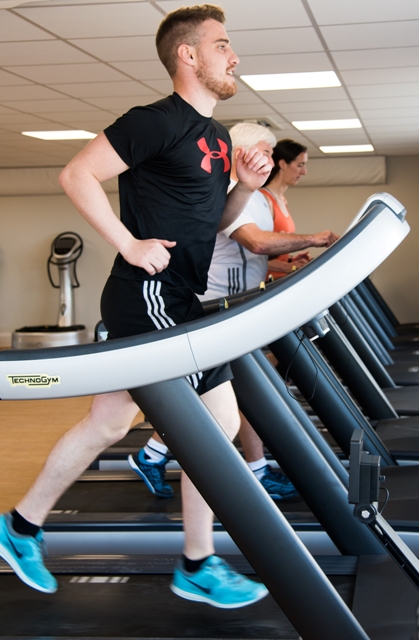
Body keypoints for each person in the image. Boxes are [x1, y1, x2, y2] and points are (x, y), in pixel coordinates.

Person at [0, 4, 273, 610]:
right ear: (188, 55)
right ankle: (197, 563)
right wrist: (127, 243)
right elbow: (77, 175)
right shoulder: (155, 120)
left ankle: (19, 526)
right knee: (216, 423)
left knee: (108, 423)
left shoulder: (216, 138)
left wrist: (245, 191)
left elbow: (211, 223)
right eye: (222, 45)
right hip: (149, 295)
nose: (234, 57)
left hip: (179, 296)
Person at [129, 123, 338, 502]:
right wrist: (315, 238)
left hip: (240, 305)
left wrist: (286, 262)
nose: (271, 159)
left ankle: (155, 454)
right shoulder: (230, 191)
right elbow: (255, 243)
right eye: (265, 151)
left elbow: (251, 255)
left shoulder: (254, 195)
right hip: (218, 307)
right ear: (241, 153)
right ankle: (247, 469)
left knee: (231, 391)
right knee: (234, 391)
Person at [261, 139, 312, 279]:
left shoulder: (282, 200)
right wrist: (286, 267)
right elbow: (251, 252)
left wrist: (290, 260)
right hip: (265, 283)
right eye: (300, 165)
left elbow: (274, 252)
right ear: (282, 164)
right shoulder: (264, 199)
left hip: (280, 280)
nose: (304, 172)